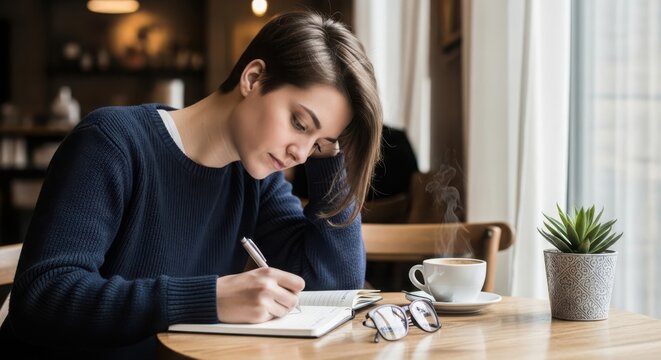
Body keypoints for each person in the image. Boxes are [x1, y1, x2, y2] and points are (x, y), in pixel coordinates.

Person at [0, 11, 382, 358]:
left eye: (316, 143)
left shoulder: (255, 177)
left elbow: (331, 282)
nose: (300, 154)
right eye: (299, 123)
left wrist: (330, 155)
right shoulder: (113, 143)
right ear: (253, 78)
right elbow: (41, 299)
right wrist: (208, 299)